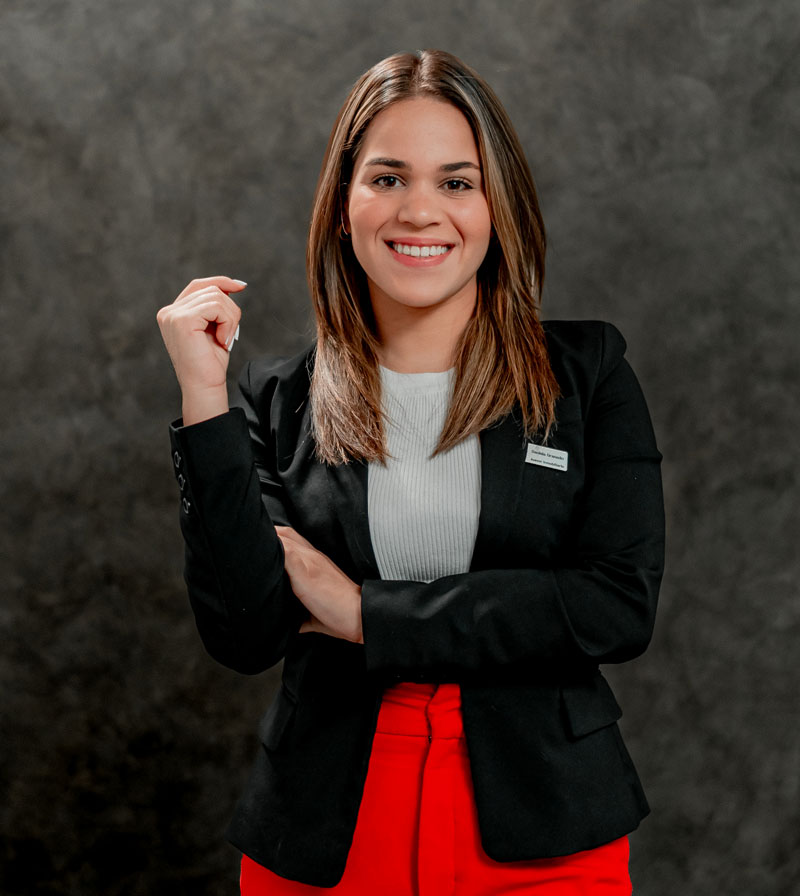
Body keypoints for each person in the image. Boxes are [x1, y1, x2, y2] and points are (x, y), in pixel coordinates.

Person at [157, 49, 664, 896]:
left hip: (544, 826)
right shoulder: (276, 399)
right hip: (327, 828)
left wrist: (365, 614)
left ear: (499, 206)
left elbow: (615, 605)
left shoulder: (588, 373)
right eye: (387, 178)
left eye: (457, 182)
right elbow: (245, 634)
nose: (420, 210)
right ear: (343, 205)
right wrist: (204, 400)